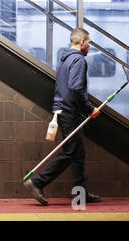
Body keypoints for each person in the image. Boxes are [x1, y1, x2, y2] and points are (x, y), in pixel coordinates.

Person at [24, 27, 101, 206]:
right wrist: (90, 109)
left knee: (78, 152)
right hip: (70, 112)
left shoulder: (64, 59)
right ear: (82, 42)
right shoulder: (79, 60)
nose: (89, 46)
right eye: (89, 42)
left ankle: (80, 194)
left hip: (63, 109)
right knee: (70, 152)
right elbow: (75, 88)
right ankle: (37, 182)